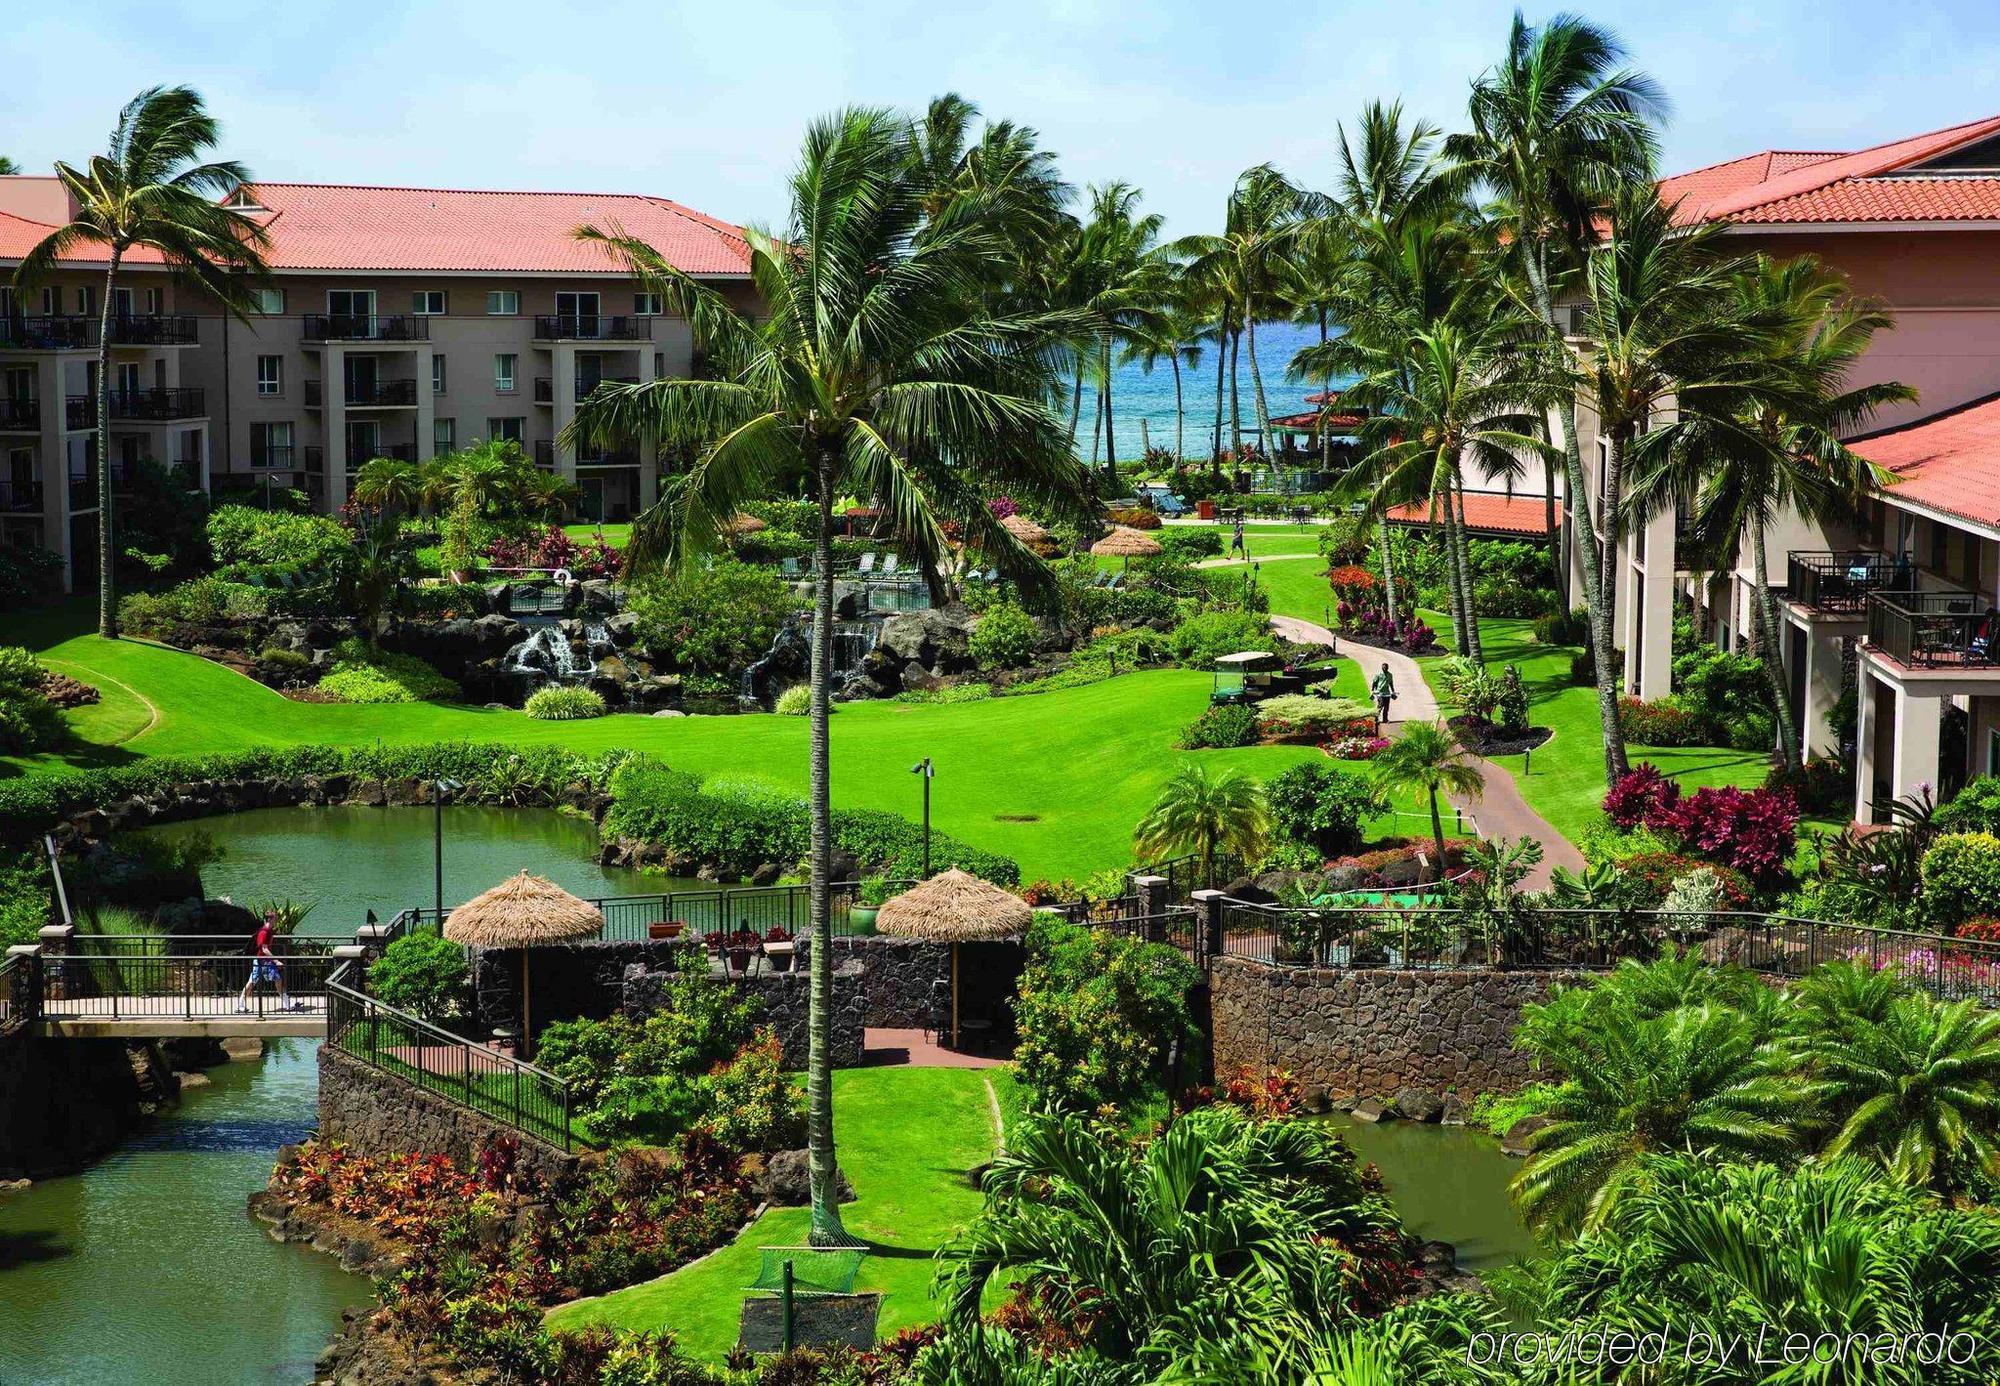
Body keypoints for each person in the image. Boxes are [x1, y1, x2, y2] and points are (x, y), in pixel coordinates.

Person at [236, 910, 294, 1012]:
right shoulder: (264, 932)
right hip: (262, 962)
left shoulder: (269, 931)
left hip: (262, 961)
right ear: (270, 919)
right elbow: (264, 949)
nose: (277, 920)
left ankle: (287, 1003)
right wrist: (276, 961)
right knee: (272, 980)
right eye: (275, 918)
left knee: (272, 980)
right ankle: (287, 1003)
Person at [1370, 662, 1397, 731]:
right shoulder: (1378, 674)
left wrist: (1393, 691)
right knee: (1380, 705)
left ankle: (1385, 719)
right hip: (1380, 692)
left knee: (1386, 707)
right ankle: (1376, 718)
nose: (1384, 668)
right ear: (1382, 667)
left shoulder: (1390, 675)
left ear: (1388, 668)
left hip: (1387, 693)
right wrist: (1372, 691)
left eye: (1386, 667)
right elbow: (1374, 682)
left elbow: (1391, 683)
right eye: (1383, 667)